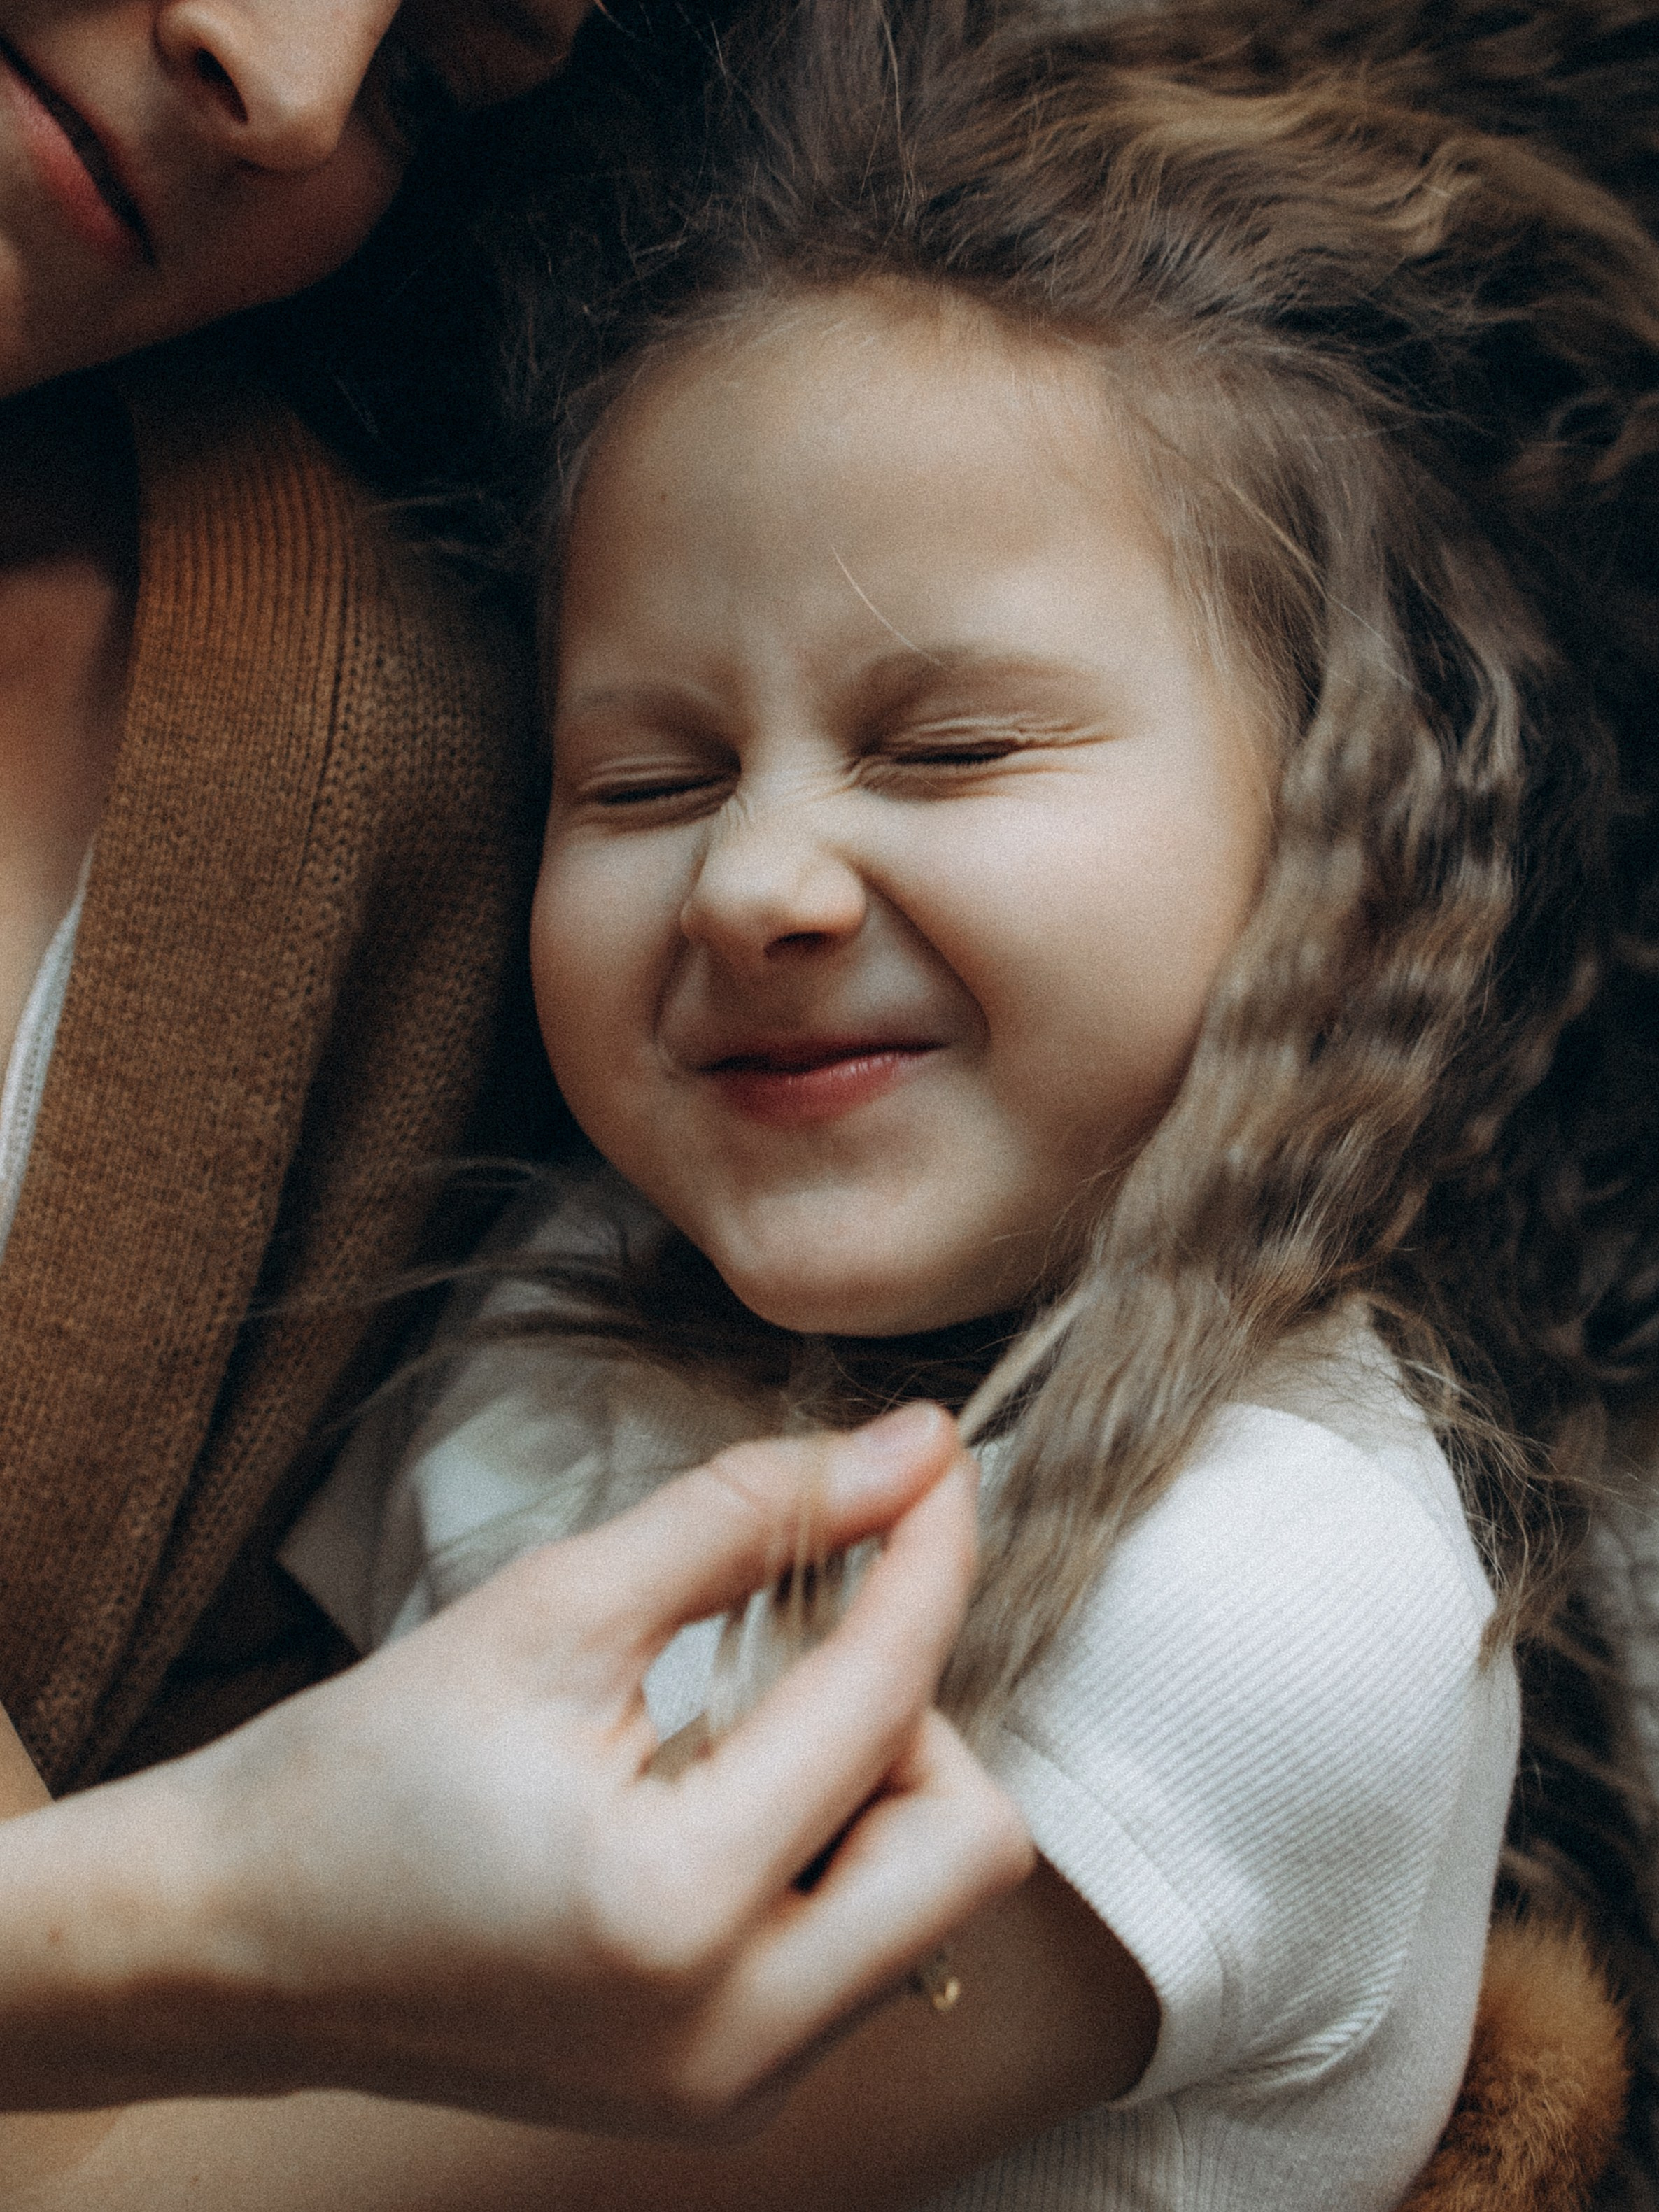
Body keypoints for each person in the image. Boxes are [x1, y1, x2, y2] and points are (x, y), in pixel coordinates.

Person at [246, 0, 1651, 2202]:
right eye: (648, 776)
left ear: (1350, 831)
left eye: (944, 750)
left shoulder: (1258, 1602)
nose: (753, 881)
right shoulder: (574, 1284)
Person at [0, 0, 1029, 2154]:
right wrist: (198, 1924)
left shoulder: (358, 777)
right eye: (653, 775)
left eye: (431, 75)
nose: (279, 90)